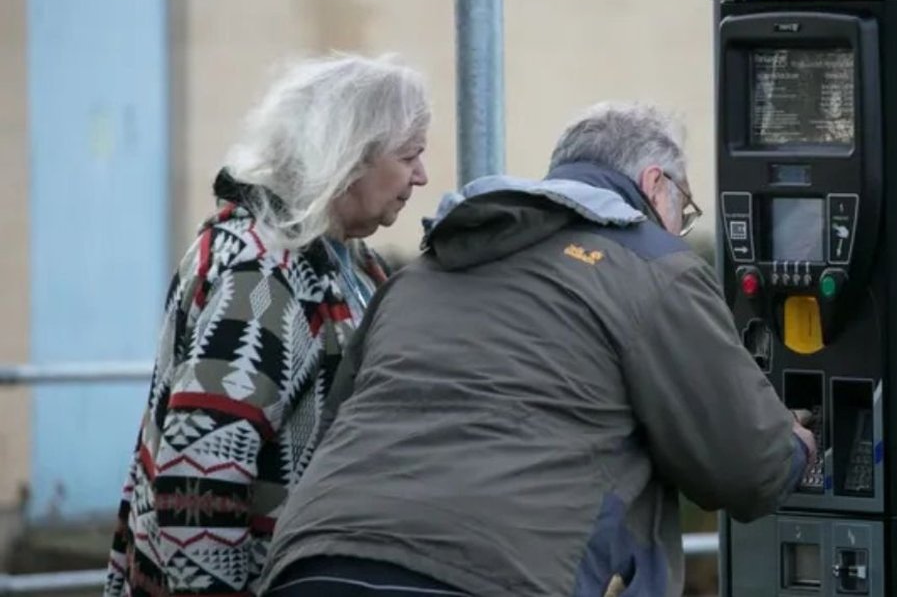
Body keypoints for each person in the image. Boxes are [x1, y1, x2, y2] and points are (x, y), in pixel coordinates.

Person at [256, 101, 816, 597]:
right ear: (654, 185)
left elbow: (337, 428)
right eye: (684, 209)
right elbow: (746, 467)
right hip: (487, 574)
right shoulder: (651, 267)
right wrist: (797, 445)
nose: (678, 229)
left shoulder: (420, 274)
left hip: (314, 562)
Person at [103, 52, 433, 597]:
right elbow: (198, 481)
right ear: (348, 156)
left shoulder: (345, 260)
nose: (420, 175)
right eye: (409, 155)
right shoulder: (258, 272)